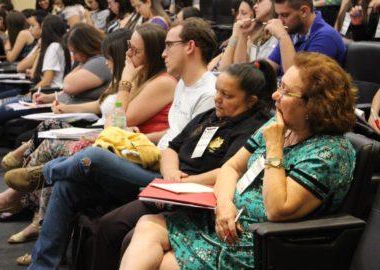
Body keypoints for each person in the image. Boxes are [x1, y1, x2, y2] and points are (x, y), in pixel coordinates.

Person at [120, 52, 357, 270]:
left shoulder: (330, 152)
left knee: (164, 264)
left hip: (259, 241)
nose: (275, 95)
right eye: (279, 86)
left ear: (313, 105)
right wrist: (224, 204)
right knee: (148, 224)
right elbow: (231, 167)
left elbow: (278, 209)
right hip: (226, 219)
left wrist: (274, 148)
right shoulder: (280, 125)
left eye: (285, 92)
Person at [24, 17, 217, 269]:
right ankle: (41, 265)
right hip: (148, 158)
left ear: (189, 46)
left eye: (169, 45)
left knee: (95, 156)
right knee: (66, 186)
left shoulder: (193, 89)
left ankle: (44, 172)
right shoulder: (180, 83)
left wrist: (126, 79)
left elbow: (118, 121)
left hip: (168, 175)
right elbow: (172, 132)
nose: (163, 53)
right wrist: (139, 137)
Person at [90, 60, 277, 270]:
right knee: (108, 225)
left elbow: (230, 170)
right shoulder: (209, 116)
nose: (217, 99)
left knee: (127, 233)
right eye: (217, 91)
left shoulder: (254, 126)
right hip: (171, 189)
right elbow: (172, 147)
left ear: (251, 101)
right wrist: (171, 174)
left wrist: (177, 184)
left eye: (227, 95)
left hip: (200, 200)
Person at [0, 15, 71, 157]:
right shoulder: (49, 46)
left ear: (45, 28)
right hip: (41, 92)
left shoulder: (53, 47)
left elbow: (46, 81)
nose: (30, 29)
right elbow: (34, 73)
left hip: (44, 95)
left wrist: (25, 96)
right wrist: (38, 48)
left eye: (33, 26)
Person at [265, 0, 346, 75]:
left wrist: (283, 36)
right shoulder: (293, 32)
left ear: (304, 11)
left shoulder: (326, 37)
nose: (280, 21)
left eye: (284, 15)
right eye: (278, 15)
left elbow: (296, 81)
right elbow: (268, 68)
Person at [218, 0, 278, 71]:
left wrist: (235, 36)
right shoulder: (257, 38)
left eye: (259, 1)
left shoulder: (280, 34)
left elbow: (228, 69)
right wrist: (243, 35)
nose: (238, 18)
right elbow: (240, 70)